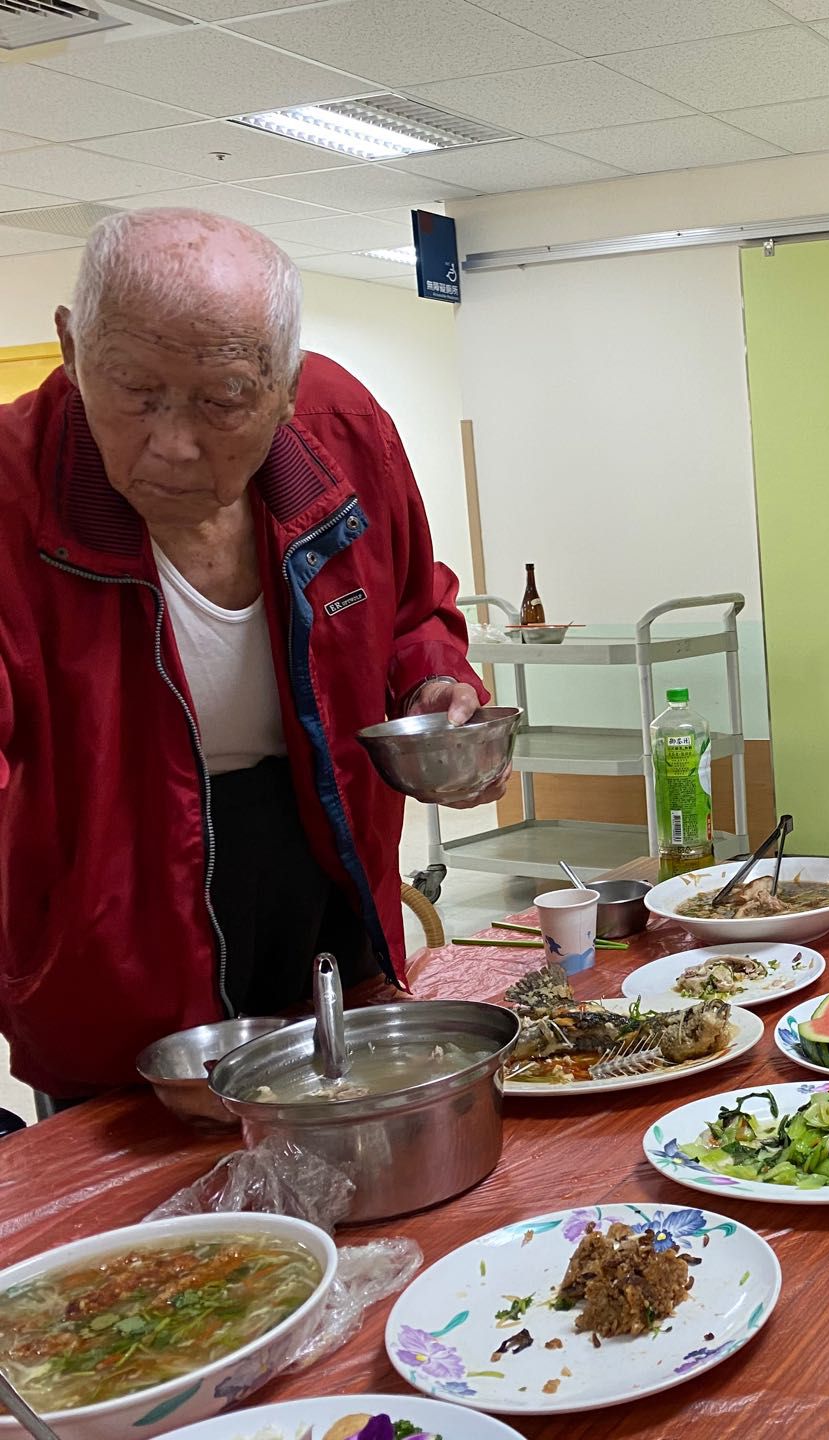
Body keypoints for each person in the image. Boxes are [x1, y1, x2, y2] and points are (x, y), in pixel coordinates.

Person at [0, 209, 501, 1104]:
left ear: (285, 384)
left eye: (224, 398)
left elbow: (412, 605)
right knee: (148, 1219)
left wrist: (437, 681)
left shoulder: (343, 432)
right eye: (132, 389)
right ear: (72, 349)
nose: (173, 443)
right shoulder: (11, 493)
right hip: (111, 919)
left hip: (323, 860)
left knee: (376, 1161)